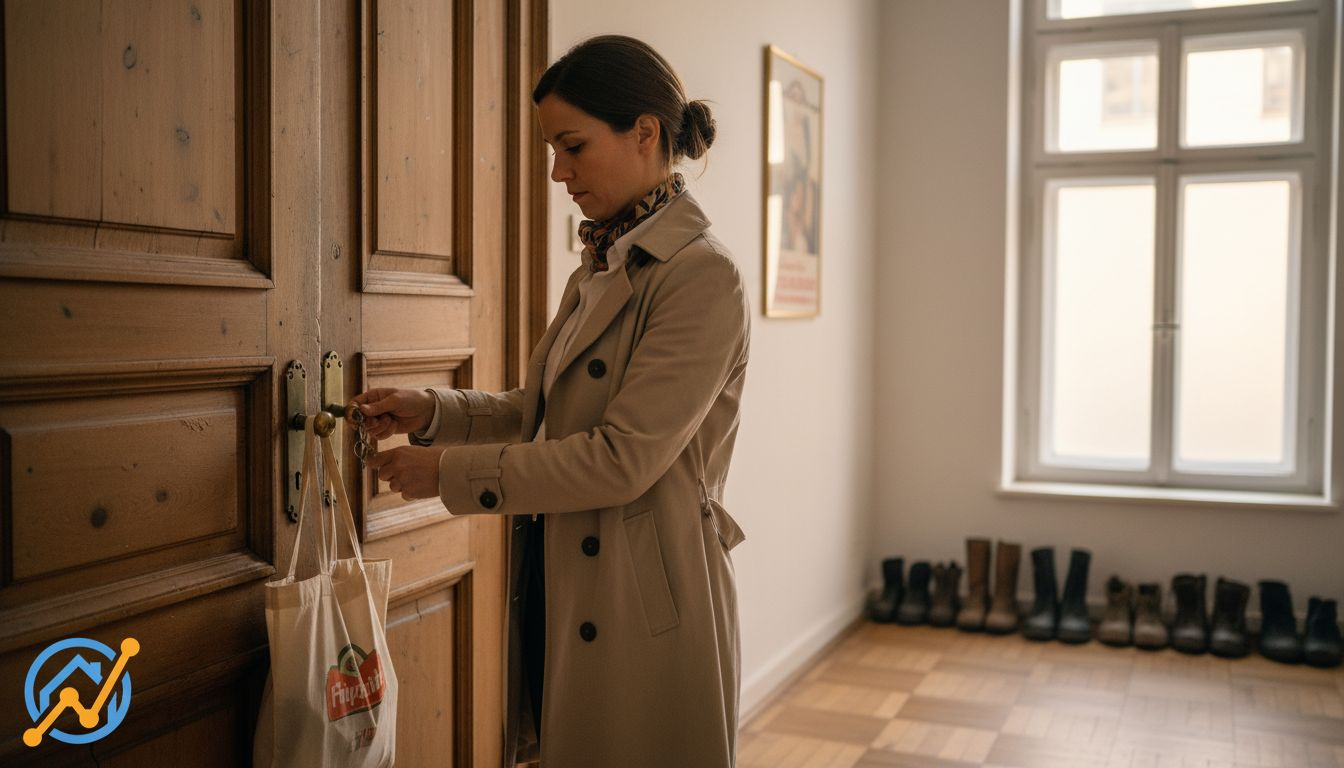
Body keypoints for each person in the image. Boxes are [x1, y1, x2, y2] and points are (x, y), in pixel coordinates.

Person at [351, 35, 751, 768]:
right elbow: (545, 412)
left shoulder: (701, 276)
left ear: (645, 132)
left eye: (573, 146)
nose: (558, 172)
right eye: (552, 149)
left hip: (645, 596)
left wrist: (447, 475)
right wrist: (433, 411)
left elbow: (621, 458)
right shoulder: (603, 260)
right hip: (569, 574)